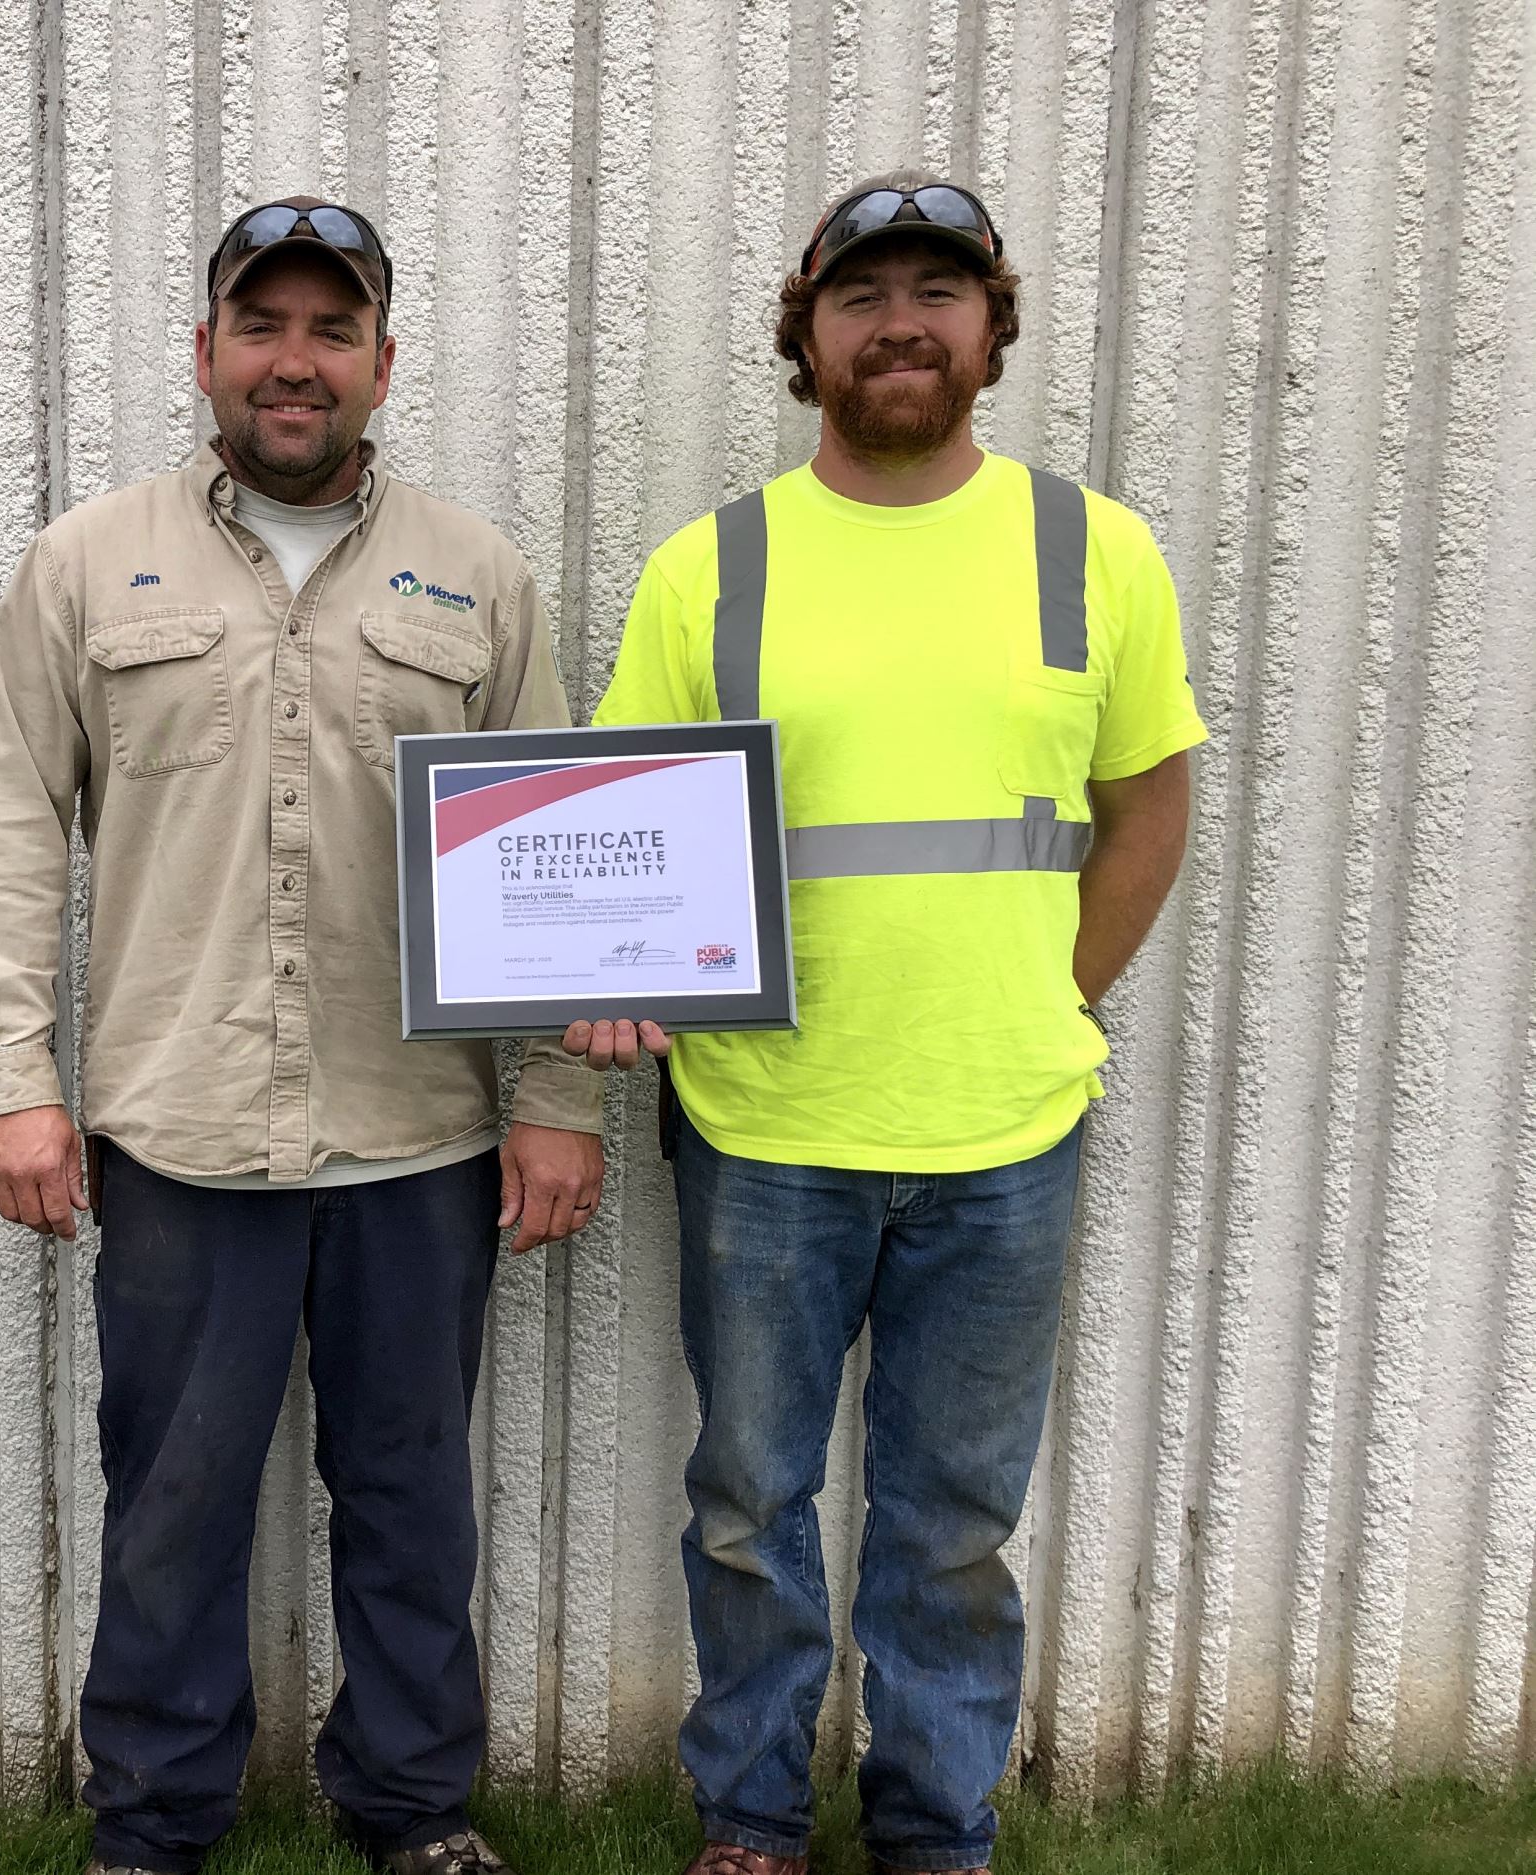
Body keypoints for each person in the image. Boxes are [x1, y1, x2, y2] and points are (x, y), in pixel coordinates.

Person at [0, 197, 607, 1875]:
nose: (294, 362)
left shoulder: (478, 575)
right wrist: (11, 1083)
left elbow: (550, 857)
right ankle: (154, 1816)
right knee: (172, 1500)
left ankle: (411, 1805)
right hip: (181, 1130)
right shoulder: (87, 565)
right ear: (207, 352)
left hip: (422, 1133)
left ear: (385, 362)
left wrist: (555, 1101)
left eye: (331, 331)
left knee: (408, 1495)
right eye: (263, 326)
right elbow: (10, 830)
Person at [567, 172, 1205, 1875]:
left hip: (1008, 1132)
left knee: (953, 1528)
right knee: (751, 1509)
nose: (901, 321)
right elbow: (622, 821)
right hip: (766, 1128)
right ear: (809, 333)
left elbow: (1148, 803)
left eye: (939, 290)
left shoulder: (1096, 548)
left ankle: (935, 1826)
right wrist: (617, 976)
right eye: (863, 295)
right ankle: (753, 1819)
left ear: (993, 327)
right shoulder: (718, 565)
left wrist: (1044, 997)